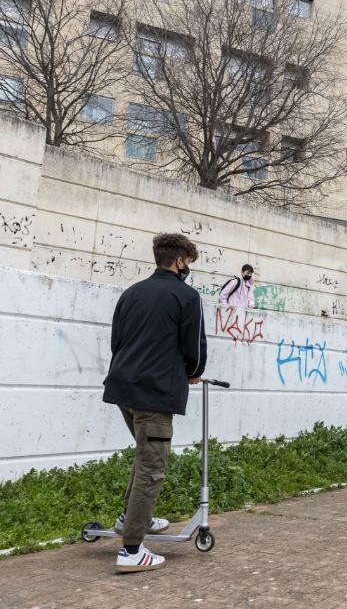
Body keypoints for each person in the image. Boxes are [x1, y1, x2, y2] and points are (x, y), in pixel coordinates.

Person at [102, 233, 207, 573]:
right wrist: (192, 373)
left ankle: (130, 519)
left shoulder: (131, 293)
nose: (187, 269)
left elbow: (117, 340)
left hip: (124, 388)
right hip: (155, 393)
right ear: (179, 261)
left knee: (143, 455)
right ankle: (131, 550)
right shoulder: (186, 296)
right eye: (188, 263)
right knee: (152, 468)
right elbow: (194, 349)